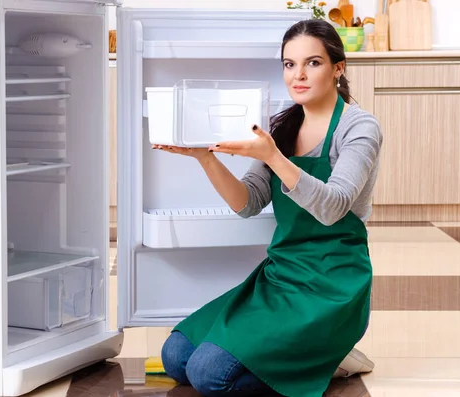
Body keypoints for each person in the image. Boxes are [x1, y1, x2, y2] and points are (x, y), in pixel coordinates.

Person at [152, 18, 383, 397]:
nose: (298, 75)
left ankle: (329, 355)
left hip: (332, 285)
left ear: (338, 68)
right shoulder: (281, 127)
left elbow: (333, 206)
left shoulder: (359, 128)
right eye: (289, 64)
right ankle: (319, 355)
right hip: (282, 275)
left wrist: (275, 157)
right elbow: (247, 203)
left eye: (313, 63)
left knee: (210, 375)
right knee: (175, 355)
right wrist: (203, 157)